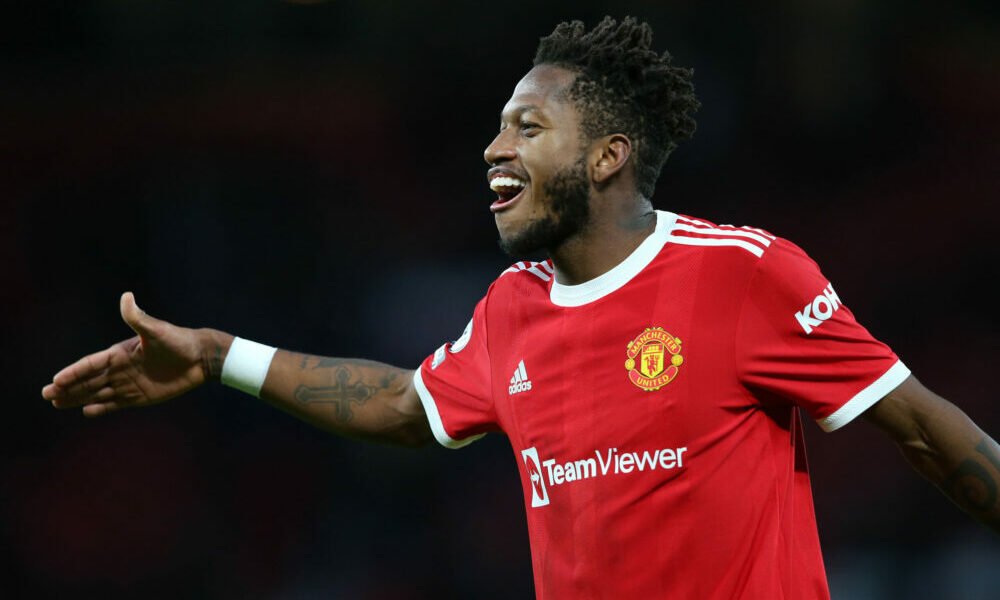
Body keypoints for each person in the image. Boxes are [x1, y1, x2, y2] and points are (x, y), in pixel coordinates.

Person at [42, 16, 998, 600]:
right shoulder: (512, 306)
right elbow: (407, 405)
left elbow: (920, 427)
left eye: (528, 127)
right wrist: (219, 356)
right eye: (498, 128)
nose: (495, 150)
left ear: (608, 155)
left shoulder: (744, 274)